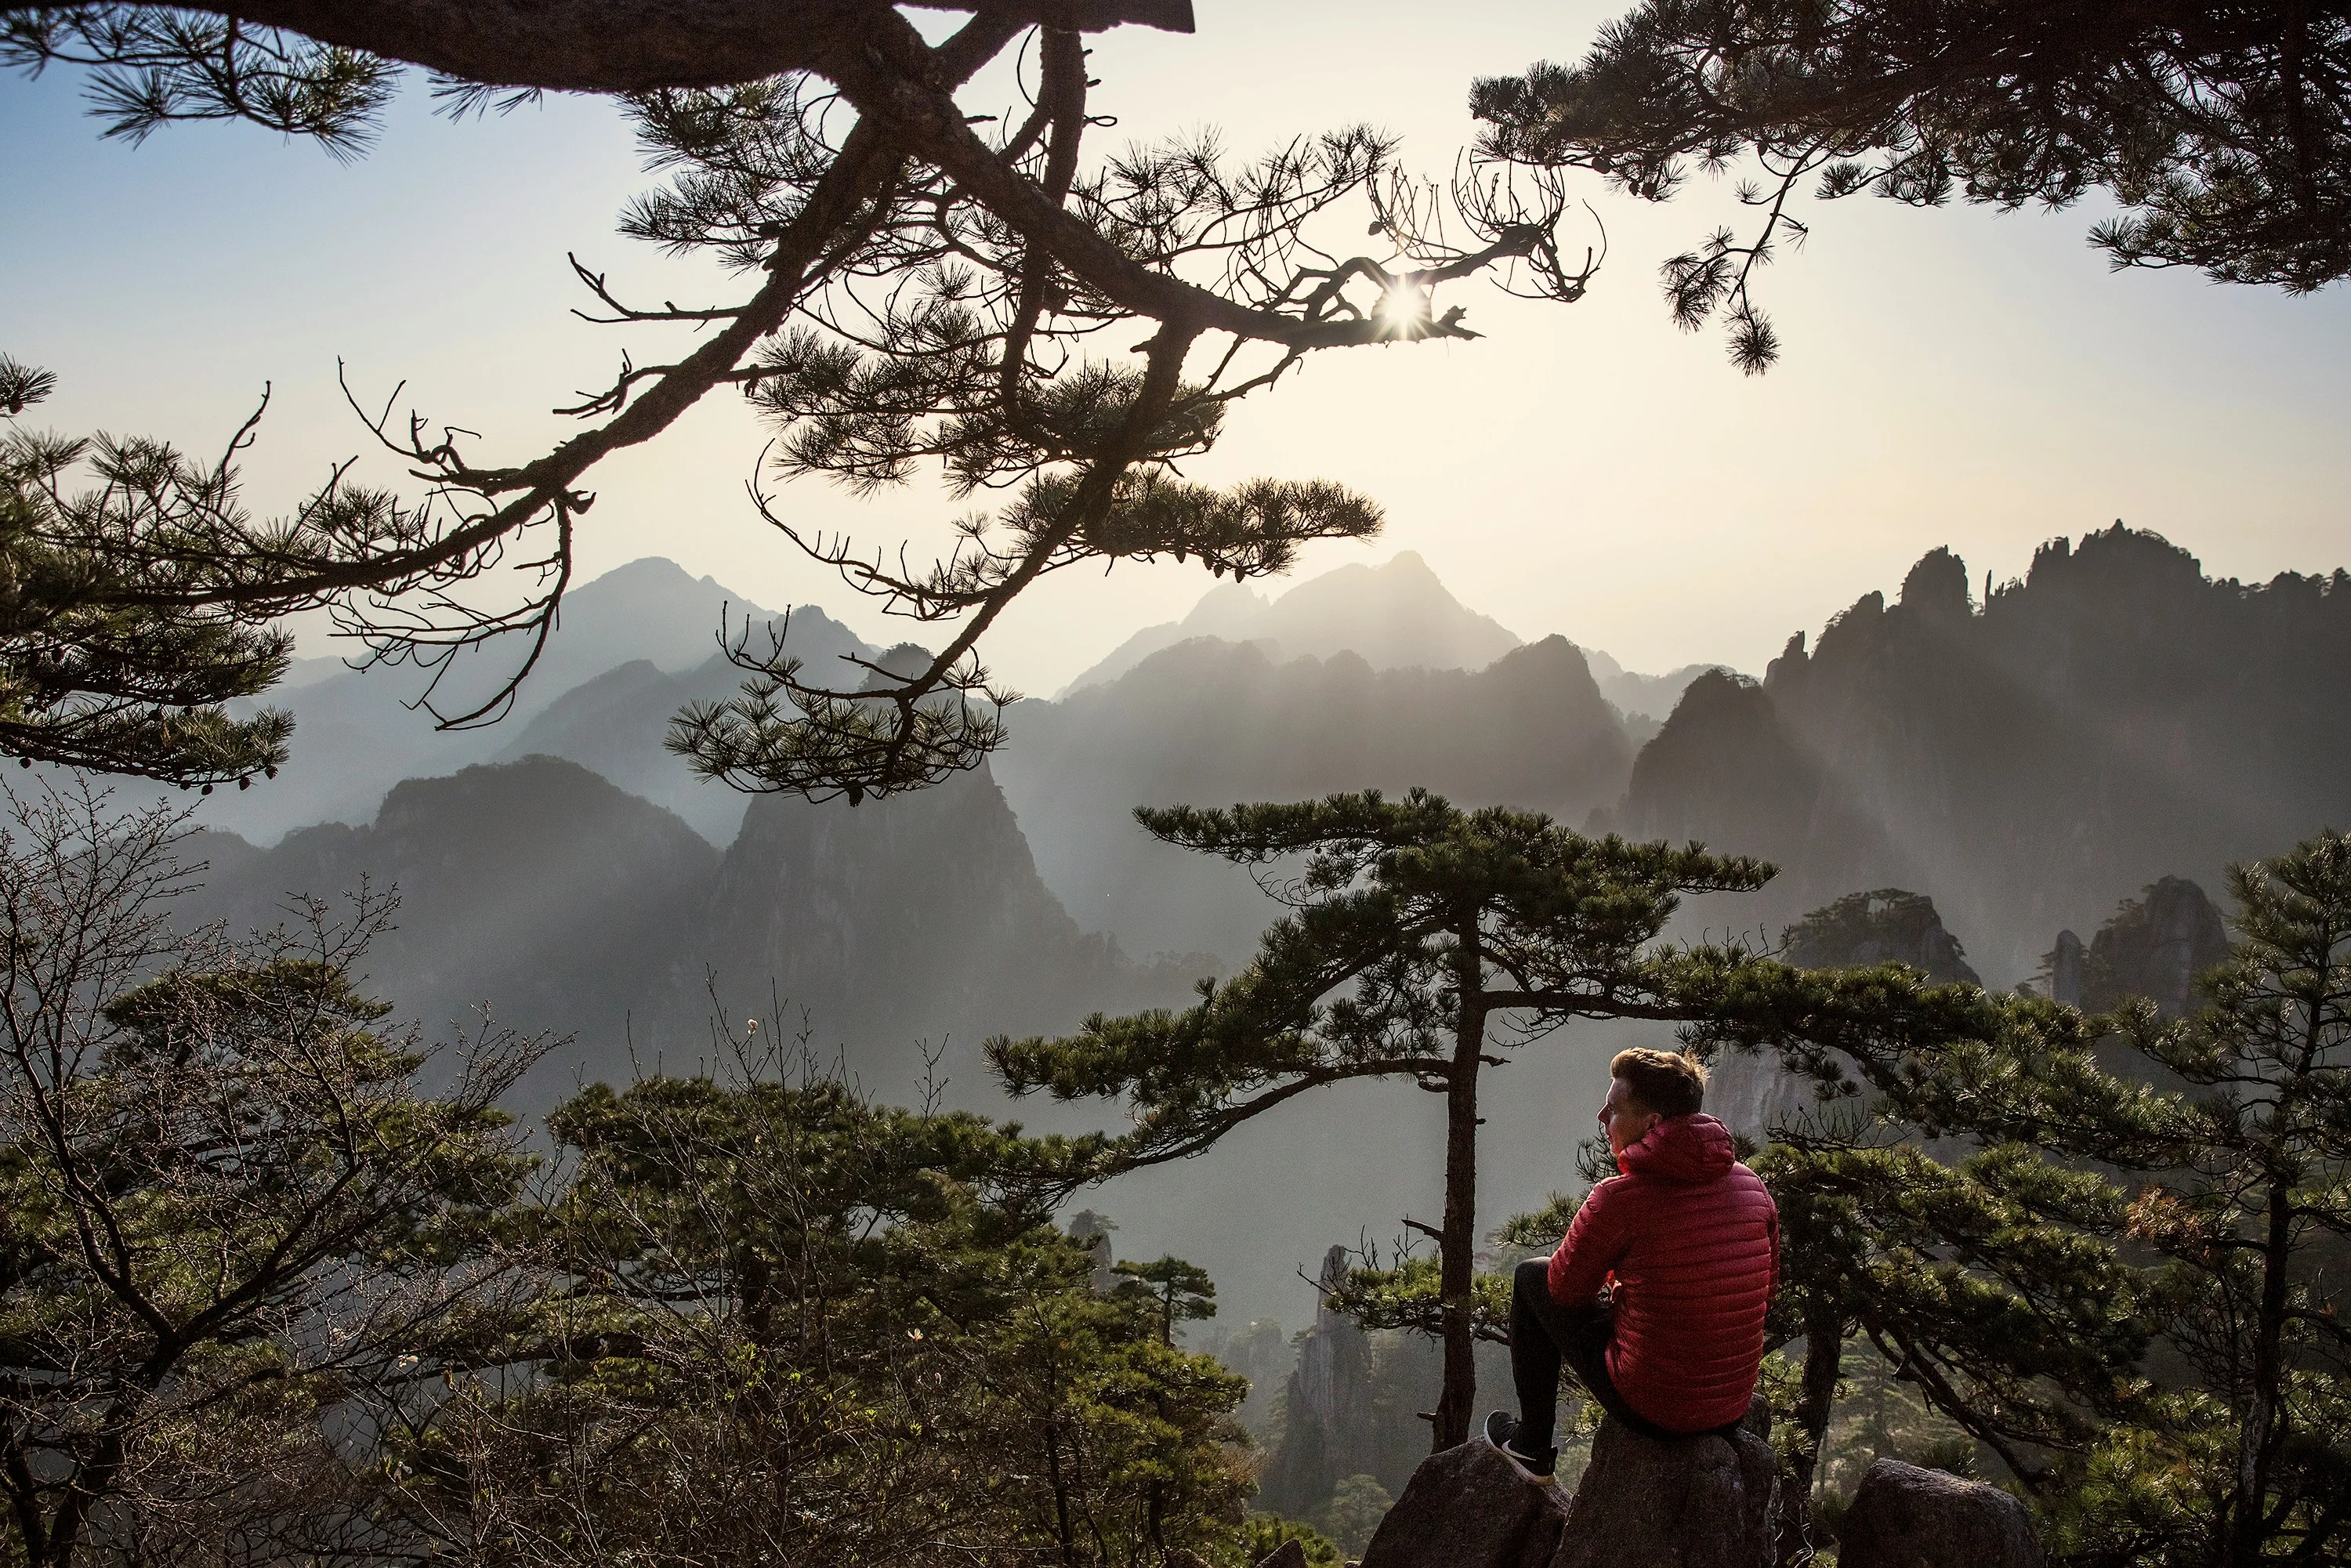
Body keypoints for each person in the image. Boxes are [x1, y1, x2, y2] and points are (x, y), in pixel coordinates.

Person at [1484, 1048, 1779, 1483]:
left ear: (1653, 1123)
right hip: (1729, 1407)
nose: (1602, 1116)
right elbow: (1767, 1291)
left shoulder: (1620, 1198)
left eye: (1614, 1108)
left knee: (1531, 1275)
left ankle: (1531, 1446)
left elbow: (1564, 1291)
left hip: (1656, 1409)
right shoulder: (1752, 1186)